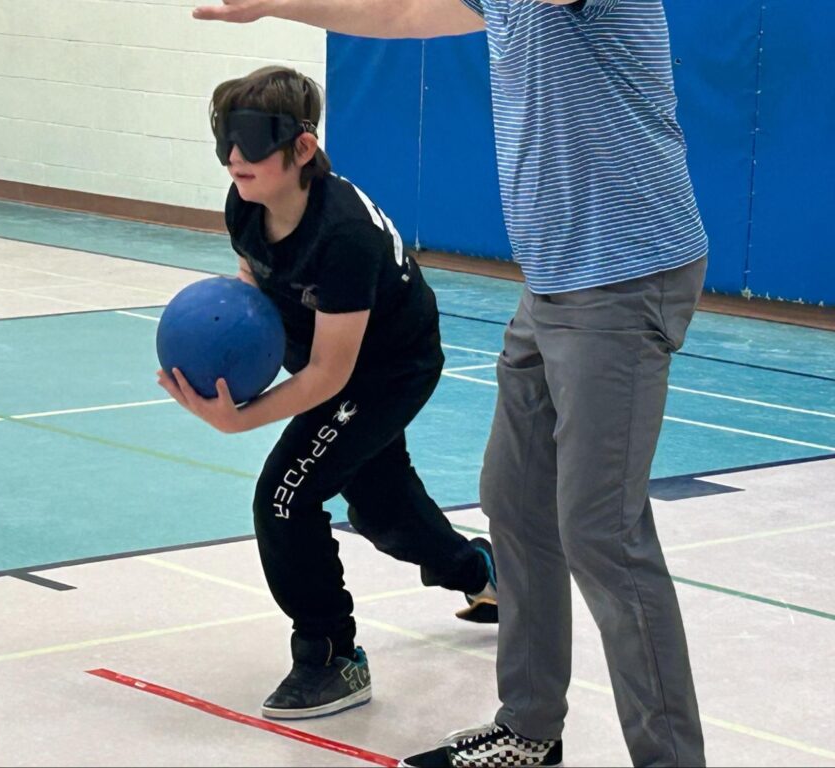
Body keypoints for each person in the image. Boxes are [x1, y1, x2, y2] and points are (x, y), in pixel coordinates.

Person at [192, 2, 708, 767]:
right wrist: (278, 4)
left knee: (601, 532)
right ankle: (529, 731)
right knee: (516, 504)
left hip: (624, 277)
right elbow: (399, 13)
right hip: (553, 284)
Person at [157, 65, 499, 722]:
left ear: (302, 148)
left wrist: (242, 419)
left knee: (285, 496)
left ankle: (330, 655)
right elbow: (255, 291)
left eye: (252, 142)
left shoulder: (342, 236)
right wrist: (225, 360)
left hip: (387, 369)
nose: (235, 158)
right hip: (330, 360)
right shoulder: (247, 204)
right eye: (226, 140)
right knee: (380, 506)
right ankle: (486, 576)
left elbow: (330, 377)